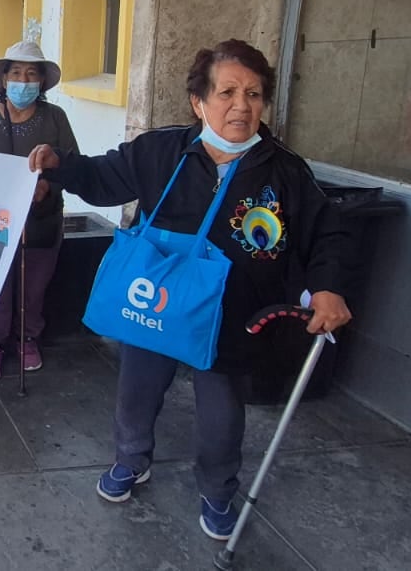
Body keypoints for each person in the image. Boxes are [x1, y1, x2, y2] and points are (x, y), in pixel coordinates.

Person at [29, 39, 352, 541]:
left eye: (253, 93)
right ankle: (130, 461)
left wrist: (327, 288)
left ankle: (219, 490)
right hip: (154, 301)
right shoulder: (163, 151)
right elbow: (101, 178)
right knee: (136, 392)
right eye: (226, 92)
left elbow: (326, 233)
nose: (241, 105)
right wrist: (60, 164)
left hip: (233, 313)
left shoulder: (284, 170)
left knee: (222, 411)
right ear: (198, 102)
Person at [0, 41, 79, 379]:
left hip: (41, 220)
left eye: (31, 74)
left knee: (35, 284)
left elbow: (72, 164)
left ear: (42, 82)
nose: (23, 80)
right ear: (3, 80)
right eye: (16, 73)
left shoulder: (56, 117)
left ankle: (28, 338)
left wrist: (47, 187)